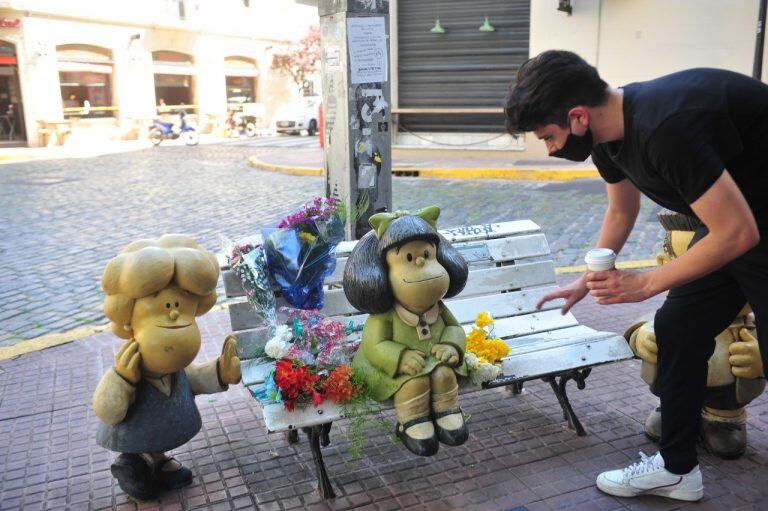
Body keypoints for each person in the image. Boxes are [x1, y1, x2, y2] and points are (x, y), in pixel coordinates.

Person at [504, 50, 768, 502]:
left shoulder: (666, 129)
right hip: (737, 219)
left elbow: (738, 232)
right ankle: (677, 470)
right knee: (678, 326)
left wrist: (645, 283)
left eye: (548, 136)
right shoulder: (609, 137)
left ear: (578, 116)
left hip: (743, 223)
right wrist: (588, 278)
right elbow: (621, 209)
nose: (549, 148)